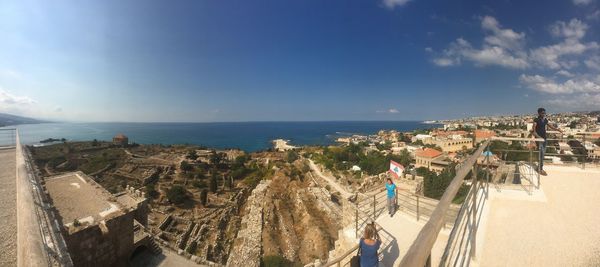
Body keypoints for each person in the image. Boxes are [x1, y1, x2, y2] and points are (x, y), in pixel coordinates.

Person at [531, 107, 562, 176]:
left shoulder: (545, 120)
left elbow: (550, 126)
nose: (544, 114)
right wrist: (538, 137)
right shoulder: (536, 120)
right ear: (539, 113)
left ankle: (540, 167)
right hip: (539, 139)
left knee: (542, 154)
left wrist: (557, 130)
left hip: (544, 138)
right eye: (542, 113)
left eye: (544, 113)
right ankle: (540, 169)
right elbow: (534, 130)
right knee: (541, 154)